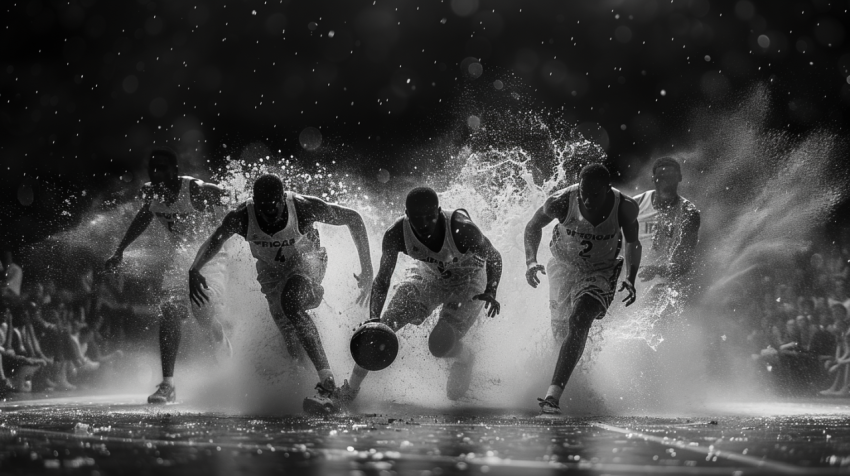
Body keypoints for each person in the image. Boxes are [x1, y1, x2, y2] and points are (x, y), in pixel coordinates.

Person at [188, 174, 373, 414]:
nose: (270, 212)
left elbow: (354, 218)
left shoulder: (304, 208)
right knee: (291, 341)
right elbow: (216, 239)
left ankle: (329, 385)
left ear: (282, 198)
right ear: (254, 202)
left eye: (274, 205)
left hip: (308, 261)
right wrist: (194, 268)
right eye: (263, 207)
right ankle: (314, 389)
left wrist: (367, 268)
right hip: (271, 273)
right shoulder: (241, 217)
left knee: (291, 301)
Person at [342, 186, 503, 405]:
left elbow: (494, 256)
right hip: (429, 276)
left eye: (430, 217)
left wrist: (491, 290)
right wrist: (373, 320)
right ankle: (349, 390)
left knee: (439, 345)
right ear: (407, 215)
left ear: (439, 211)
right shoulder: (396, 234)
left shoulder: (462, 229)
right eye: (417, 218)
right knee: (381, 328)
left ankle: (466, 358)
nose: (424, 224)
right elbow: (382, 280)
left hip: (469, 280)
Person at [105, 146, 231, 404]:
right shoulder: (152, 193)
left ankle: (220, 337)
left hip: (210, 258)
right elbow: (143, 217)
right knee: (169, 310)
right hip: (180, 261)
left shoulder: (195, 189)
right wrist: (120, 251)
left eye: (163, 167)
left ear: (175, 171)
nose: (157, 172)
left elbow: (232, 200)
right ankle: (167, 385)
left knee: (202, 313)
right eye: (153, 167)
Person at [524, 164, 641, 415]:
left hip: (600, 270)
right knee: (561, 331)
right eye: (584, 193)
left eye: (595, 195)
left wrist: (631, 276)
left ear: (608, 190)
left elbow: (632, 242)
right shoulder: (560, 202)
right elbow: (533, 226)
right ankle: (570, 378)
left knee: (580, 318)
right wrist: (531, 261)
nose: (588, 200)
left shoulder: (625, 206)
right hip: (563, 266)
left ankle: (552, 396)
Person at [632, 157, 700, 309]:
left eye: (670, 176)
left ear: (679, 178)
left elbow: (684, 263)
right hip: (628, 277)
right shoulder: (634, 205)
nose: (666, 181)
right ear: (653, 178)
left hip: (663, 281)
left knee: (655, 300)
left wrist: (658, 270)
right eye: (661, 176)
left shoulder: (688, 213)